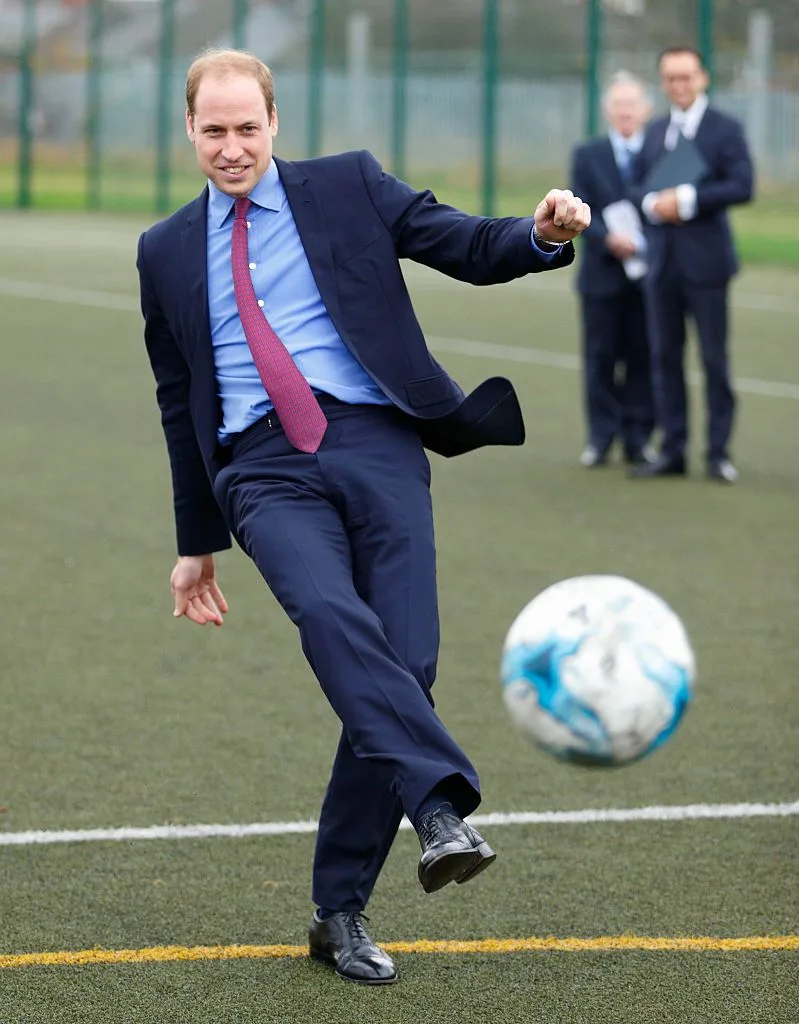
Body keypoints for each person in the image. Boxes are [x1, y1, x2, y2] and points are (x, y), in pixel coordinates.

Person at [137, 47, 590, 986]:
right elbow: (178, 401)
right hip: (261, 467)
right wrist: (195, 547)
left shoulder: (349, 185)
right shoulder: (164, 249)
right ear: (189, 129)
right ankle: (437, 813)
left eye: (246, 128)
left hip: (374, 439)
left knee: (405, 662)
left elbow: (462, 243)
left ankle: (335, 911)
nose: (231, 149)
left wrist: (540, 234)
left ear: (275, 123)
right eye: (213, 131)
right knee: (332, 617)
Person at [629, 45, 754, 483]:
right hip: (661, 265)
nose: (679, 85)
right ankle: (673, 449)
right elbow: (639, 186)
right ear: (663, 83)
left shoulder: (725, 129)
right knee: (664, 358)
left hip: (707, 265)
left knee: (714, 359)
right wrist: (650, 202)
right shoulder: (655, 130)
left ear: (702, 78)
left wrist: (685, 199)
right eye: (670, 78)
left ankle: (718, 453)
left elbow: (743, 185)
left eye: (686, 77)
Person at [570, 72, 655, 468]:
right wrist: (608, 238)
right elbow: (578, 206)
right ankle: (601, 437)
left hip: (650, 276)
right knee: (600, 357)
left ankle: (638, 439)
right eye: (619, 105)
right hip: (602, 274)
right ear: (608, 110)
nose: (626, 112)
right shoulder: (587, 154)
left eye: (632, 104)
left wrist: (644, 242)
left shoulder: (661, 153)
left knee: (644, 356)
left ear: (646, 110)